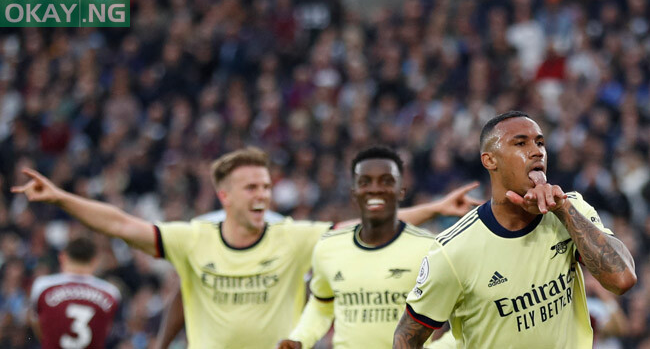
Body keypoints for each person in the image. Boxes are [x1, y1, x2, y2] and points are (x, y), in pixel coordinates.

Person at [12, 147, 479, 349]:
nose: (263, 195)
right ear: (225, 197)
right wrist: (60, 197)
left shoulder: (291, 237)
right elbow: (121, 224)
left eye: (266, 186)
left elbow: (366, 223)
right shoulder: (192, 238)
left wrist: (436, 206)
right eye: (252, 187)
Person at [393, 111, 637, 348]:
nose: (536, 151)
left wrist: (563, 209)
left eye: (540, 143)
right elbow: (407, 337)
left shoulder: (570, 209)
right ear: (490, 160)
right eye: (520, 144)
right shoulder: (453, 250)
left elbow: (622, 279)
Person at [277, 146, 468, 349]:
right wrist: (300, 338)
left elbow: (465, 318)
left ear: (401, 190)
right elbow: (322, 306)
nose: (375, 188)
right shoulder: (328, 247)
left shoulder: (431, 249)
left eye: (386, 181)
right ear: (353, 192)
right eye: (365, 182)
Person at [29, 236, 121, 349]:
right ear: (94, 261)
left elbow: (38, 325)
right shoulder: (111, 293)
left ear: (62, 257)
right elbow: (107, 329)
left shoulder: (43, 286)